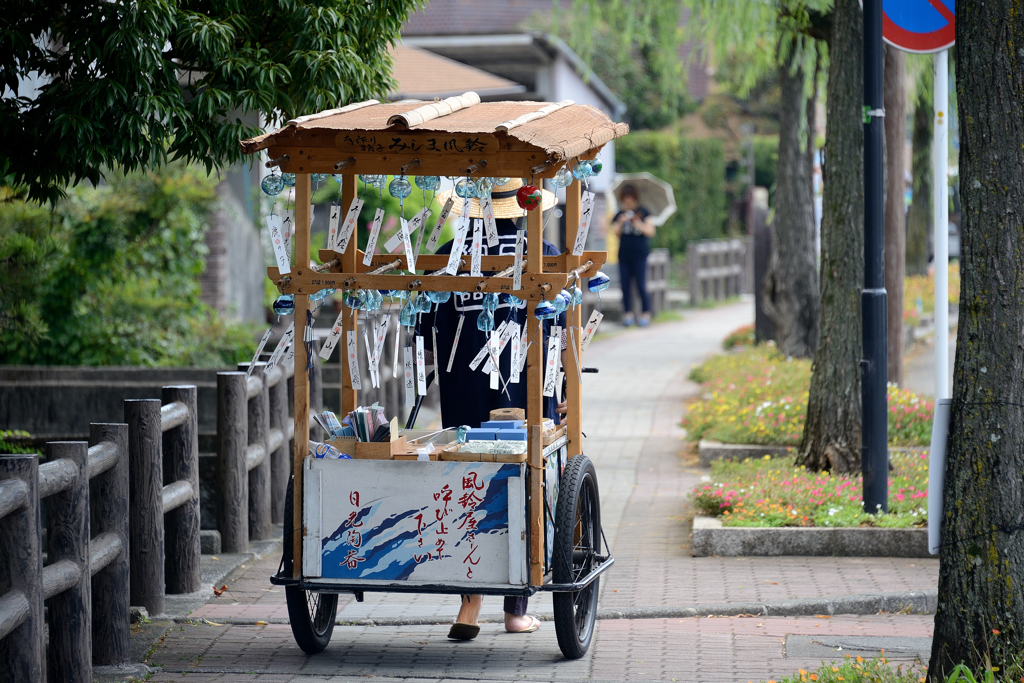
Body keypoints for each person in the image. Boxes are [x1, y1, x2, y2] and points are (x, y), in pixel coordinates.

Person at [420, 179, 565, 640]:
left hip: (463, 389)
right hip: (525, 390)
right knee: (524, 483)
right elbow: (558, 328)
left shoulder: (449, 253)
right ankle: (515, 609)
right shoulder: (539, 250)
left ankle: (469, 608)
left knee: (469, 482)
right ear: (522, 208)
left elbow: (423, 326)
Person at [611, 184, 656, 327]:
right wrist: (622, 222)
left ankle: (645, 313)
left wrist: (638, 223)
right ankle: (628, 314)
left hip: (640, 255)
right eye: (626, 199)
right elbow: (615, 233)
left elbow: (650, 232)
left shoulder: (643, 213)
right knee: (625, 285)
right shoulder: (619, 214)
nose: (628, 202)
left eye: (630, 199)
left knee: (641, 284)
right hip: (624, 254)